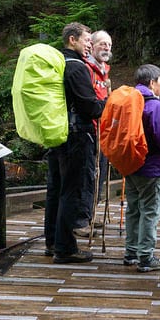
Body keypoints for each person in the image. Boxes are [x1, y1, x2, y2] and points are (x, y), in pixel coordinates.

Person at [44, 22, 106, 263]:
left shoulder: (58, 64)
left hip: (57, 132)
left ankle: (52, 241)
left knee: (55, 188)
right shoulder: (76, 68)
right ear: (72, 40)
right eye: (86, 40)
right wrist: (106, 103)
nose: (89, 44)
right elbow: (89, 106)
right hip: (77, 135)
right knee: (71, 189)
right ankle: (65, 248)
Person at [123, 64, 160, 272]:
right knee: (150, 211)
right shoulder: (155, 106)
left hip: (130, 164)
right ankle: (146, 256)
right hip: (151, 166)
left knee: (133, 208)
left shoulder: (129, 101)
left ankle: (131, 252)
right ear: (152, 83)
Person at [74, 30, 112, 236]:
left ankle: (90, 214)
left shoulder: (104, 70)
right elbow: (89, 102)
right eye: (102, 44)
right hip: (88, 130)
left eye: (109, 45)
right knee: (87, 174)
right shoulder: (86, 69)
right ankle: (80, 221)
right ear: (93, 46)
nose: (106, 48)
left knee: (100, 174)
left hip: (103, 131)